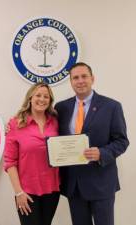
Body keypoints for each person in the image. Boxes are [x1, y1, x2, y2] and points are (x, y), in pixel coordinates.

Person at [54, 62, 129, 225]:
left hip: (102, 183)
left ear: (92, 78)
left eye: (84, 76)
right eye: (75, 78)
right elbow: (47, 129)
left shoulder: (112, 106)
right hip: (74, 184)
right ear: (71, 81)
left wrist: (102, 153)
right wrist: (16, 124)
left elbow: (122, 141)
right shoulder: (61, 108)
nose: (80, 81)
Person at [4, 82, 60, 225]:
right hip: (27, 192)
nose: (42, 99)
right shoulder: (16, 124)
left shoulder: (55, 122)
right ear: (30, 98)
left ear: (50, 101)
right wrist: (19, 193)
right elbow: (10, 162)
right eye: (38, 95)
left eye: (46, 97)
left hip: (52, 190)